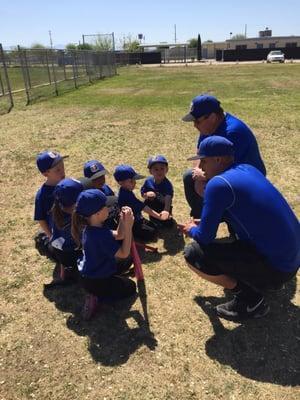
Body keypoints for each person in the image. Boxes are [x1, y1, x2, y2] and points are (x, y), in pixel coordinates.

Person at [182, 136, 300, 321]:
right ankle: (265, 280)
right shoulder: (248, 168)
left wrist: (191, 229)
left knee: (193, 253)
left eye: (204, 160)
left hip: (278, 269)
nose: (200, 166)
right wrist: (205, 221)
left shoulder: (217, 184)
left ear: (218, 160)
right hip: (291, 260)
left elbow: (204, 237)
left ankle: (251, 299)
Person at [182, 94, 266, 219]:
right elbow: (200, 151)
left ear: (212, 117)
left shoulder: (232, 133)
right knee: (190, 177)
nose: (195, 125)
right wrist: (198, 172)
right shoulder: (209, 127)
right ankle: (203, 219)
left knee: (213, 186)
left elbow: (227, 170)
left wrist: (204, 178)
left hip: (246, 181)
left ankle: (233, 225)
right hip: (225, 172)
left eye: (197, 121)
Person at [71, 189, 136, 302]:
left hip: (90, 271)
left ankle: (101, 288)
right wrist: (129, 227)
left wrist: (122, 220)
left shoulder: (91, 226)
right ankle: (96, 298)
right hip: (96, 281)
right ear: (97, 213)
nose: (109, 208)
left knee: (128, 260)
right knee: (131, 287)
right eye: (105, 206)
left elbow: (119, 235)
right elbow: (124, 253)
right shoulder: (99, 235)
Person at [113, 165, 169, 241]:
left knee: (155, 227)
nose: (134, 183)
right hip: (132, 224)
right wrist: (159, 216)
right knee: (152, 233)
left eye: (134, 180)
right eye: (131, 181)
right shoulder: (126, 196)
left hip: (137, 219)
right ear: (120, 182)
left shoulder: (126, 191)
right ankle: (132, 234)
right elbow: (144, 208)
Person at [34, 150, 67, 259]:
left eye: (62, 167)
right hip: (58, 233)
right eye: (57, 170)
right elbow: (41, 219)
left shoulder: (68, 185)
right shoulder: (42, 195)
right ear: (45, 173)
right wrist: (51, 236)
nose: (62, 171)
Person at [50, 178, 84, 283]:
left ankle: (64, 268)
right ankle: (74, 271)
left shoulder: (57, 209)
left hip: (59, 252)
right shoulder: (74, 220)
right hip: (72, 255)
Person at [83, 159, 119, 229]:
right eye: (95, 178)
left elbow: (115, 206)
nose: (100, 180)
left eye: (102, 176)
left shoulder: (106, 189)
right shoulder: (87, 198)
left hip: (113, 226)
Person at [141, 155, 174, 228]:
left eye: (162, 168)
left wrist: (166, 210)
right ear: (150, 171)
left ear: (167, 170)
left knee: (168, 224)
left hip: (163, 205)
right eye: (156, 169)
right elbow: (142, 193)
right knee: (154, 220)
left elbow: (168, 198)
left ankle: (163, 218)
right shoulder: (148, 181)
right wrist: (146, 194)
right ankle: (154, 217)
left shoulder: (167, 184)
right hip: (151, 204)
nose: (159, 171)